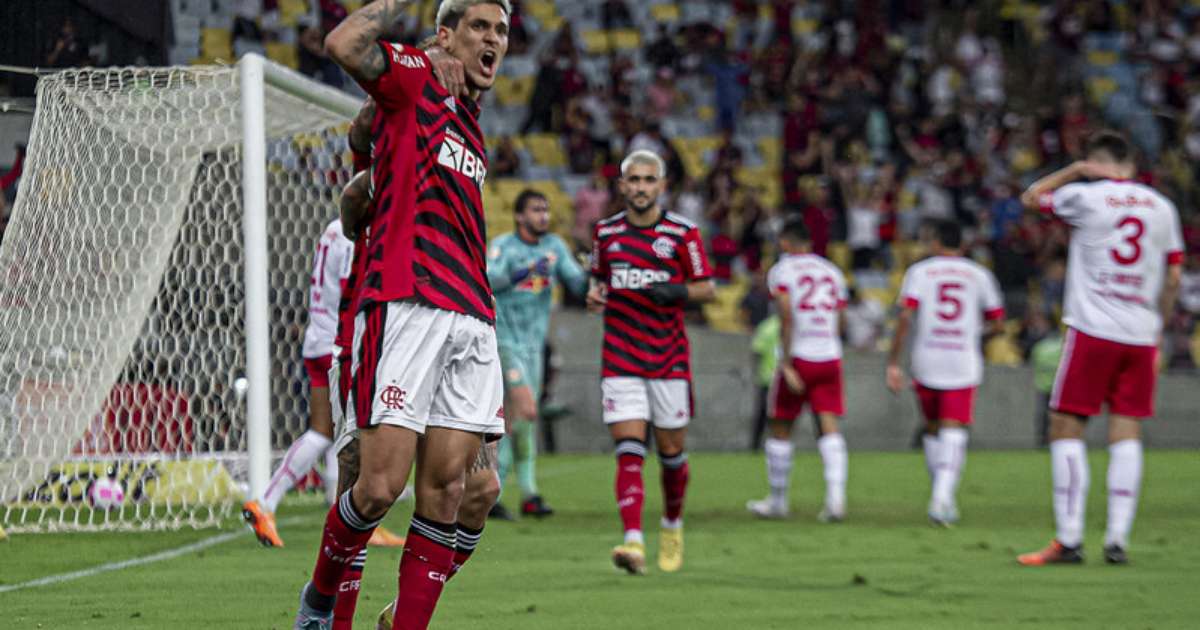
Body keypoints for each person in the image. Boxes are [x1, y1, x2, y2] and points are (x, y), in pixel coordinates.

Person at [293, 2, 511, 629]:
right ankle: (319, 604)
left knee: (454, 492)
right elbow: (343, 43)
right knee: (378, 486)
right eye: (478, 27)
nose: (492, 40)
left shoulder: (468, 121)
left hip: (472, 315)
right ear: (445, 35)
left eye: (500, 31)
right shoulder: (416, 75)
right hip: (407, 302)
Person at [1015, 131, 1183, 566]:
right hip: (1141, 334)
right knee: (1125, 431)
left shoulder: (1087, 197)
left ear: (1096, 162)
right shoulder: (1163, 208)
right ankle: (1117, 541)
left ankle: (1069, 540)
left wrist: (1075, 171)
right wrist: (1157, 327)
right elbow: (1174, 277)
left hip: (1094, 329)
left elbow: (1031, 198)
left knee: (1066, 426)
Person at [586, 149, 715, 575]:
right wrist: (594, 293)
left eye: (648, 180)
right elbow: (598, 279)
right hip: (621, 358)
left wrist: (677, 292)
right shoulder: (606, 233)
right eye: (633, 180)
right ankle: (633, 541)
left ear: (661, 185)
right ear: (622, 186)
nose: (640, 188)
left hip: (668, 360)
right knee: (629, 451)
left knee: (672, 454)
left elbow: (707, 288)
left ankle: (672, 524)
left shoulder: (682, 233)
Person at [887, 219, 1005, 526]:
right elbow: (999, 323)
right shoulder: (979, 274)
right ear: (962, 244)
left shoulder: (920, 272)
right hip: (962, 359)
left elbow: (905, 317)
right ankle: (942, 499)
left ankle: (941, 496)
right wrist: (975, 336)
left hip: (927, 357)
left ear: (935, 243)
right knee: (953, 428)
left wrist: (893, 362)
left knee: (932, 427)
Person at [486, 189, 588, 519]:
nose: (543, 215)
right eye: (535, 210)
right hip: (504, 340)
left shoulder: (555, 247)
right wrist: (526, 271)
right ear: (519, 216)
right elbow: (487, 279)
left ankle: (526, 494)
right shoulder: (504, 245)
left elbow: (577, 283)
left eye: (545, 209)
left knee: (521, 421)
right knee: (523, 409)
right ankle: (494, 491)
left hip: (534, 347)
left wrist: (595, 270)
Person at [745, 219, 850, 522]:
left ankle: (778, 501)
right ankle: (836, 499)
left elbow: (787, 315)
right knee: (828, 425)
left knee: (780, 425)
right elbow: (842, 317)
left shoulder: (783, 270)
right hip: (830, 355)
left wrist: (787, 362)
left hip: (800, 355)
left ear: (785, 243)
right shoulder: (832, 270)